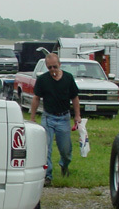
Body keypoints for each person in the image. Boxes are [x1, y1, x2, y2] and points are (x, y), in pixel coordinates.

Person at [30, 53, 81, 187]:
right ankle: (48, 175)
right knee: (46, 148)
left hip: (63, 117)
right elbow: (36, 98)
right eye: (49, 67)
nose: (52, 69)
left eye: (54, 66)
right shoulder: (42, 80)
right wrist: (33, 117)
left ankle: (64, 165)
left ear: (60, 65)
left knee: (65, 149)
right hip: (48, 117)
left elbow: (75, 98)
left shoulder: (68, 78)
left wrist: (77, 116)